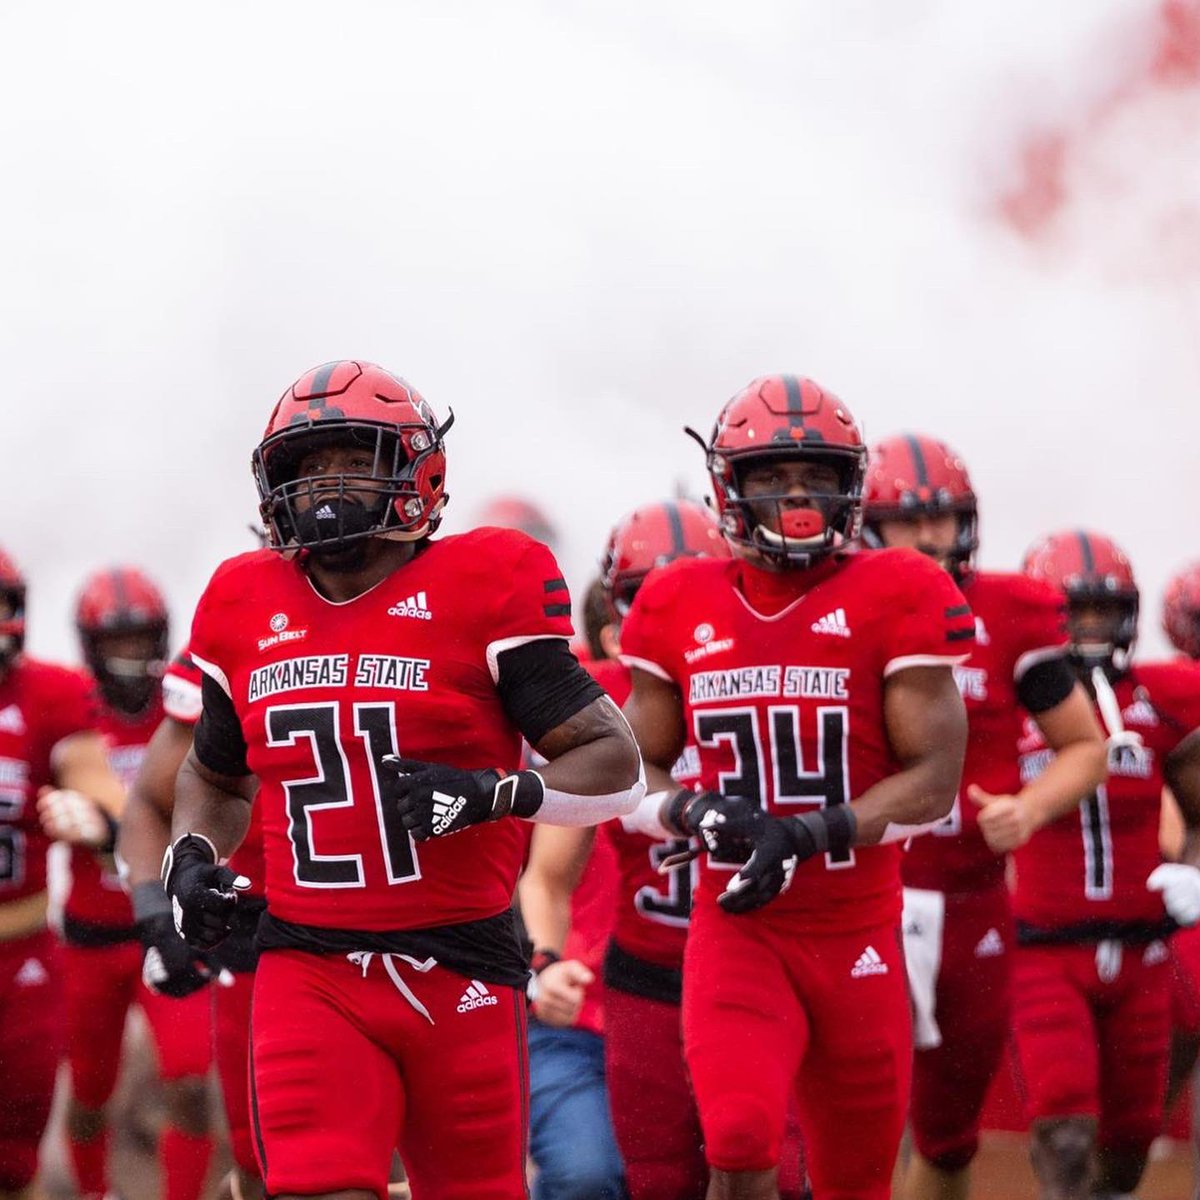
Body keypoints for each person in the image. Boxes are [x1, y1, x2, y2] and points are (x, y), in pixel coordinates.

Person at [163, 360, 643, 1200]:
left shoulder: (485, 581)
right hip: (309, 966)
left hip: (462, 964)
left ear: (417, 470)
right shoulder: (243, 598)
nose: (326, 483)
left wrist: (492, 794)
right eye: (308, 465)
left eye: (353, 459)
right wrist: (192, 856)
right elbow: (216, 778)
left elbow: (617, 767)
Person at [618, 375, 974, 1200]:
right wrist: (691, 808)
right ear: (728, 486)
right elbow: (628, 770)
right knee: (740, 1143)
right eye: (772, 476)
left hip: (857, 931)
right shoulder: (675, 600)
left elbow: (934, 783)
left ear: (851, 483)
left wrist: (810, 832)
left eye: (816, 475)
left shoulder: (903, 589)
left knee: (856, 1180)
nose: (797, 495)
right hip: (739, 932)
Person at [861, 435, 1106, 1200]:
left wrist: (1029, 808)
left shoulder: (1011, 611)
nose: (930, 536)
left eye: (942, 517)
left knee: (949, 1134)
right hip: (863, 895)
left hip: (972, 900)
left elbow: (1085, 747)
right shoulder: (835, 608)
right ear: (867, 525)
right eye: (909, 520)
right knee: (855, 1114)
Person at [519, 499, 741, 1200]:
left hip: (748, 984)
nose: (678, 615)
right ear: (614, 625)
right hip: (614, 997)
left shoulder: (764, 693)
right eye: (651, 600)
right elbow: (545, 875)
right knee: (604, 1178)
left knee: (768, 1167)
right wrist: (544, 963)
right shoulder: (594, 704)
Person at [1014, 531, 1200, 1199]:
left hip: (1142, 947)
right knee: (1064, 1125)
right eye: (1075, 612)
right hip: (1044, 949)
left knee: (1131, 1139)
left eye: (1104, 610)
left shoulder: (1161, 694)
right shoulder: (1008, 702)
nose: (1090, 627)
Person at [61, 569, 216, 1200]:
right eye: (115, 642)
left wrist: (113, 826)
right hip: (91, 938)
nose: (129, 655)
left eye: (139, 639)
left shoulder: (185, 708)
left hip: (167, 925)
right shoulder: (69, 710)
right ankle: (94, 1192)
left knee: (193, 1084)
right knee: (89, 1093)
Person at [117, 641, 267, 1200]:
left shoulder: (439, 623)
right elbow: (151, 802)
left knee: (401, 1163)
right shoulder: (236, 632)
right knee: (260, 1164)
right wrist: (157, 913)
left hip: (392, 935)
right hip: (254, 933)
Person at [0, 546, 124, 1200]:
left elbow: (101, 787)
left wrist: (101, 822)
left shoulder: (50, 693)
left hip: (21, 952)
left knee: (15, 1161)